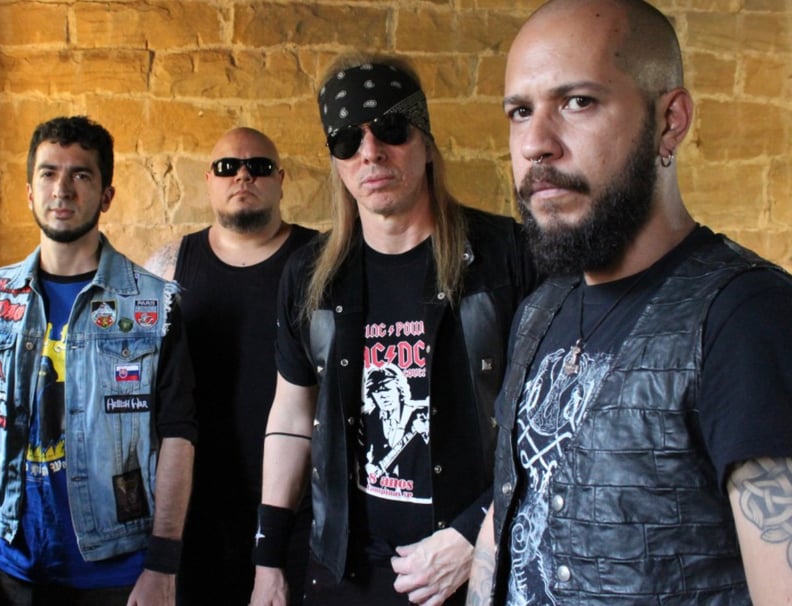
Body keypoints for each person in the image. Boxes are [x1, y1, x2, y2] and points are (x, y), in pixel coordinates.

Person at [466, 1, 792, 604]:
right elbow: (510, 513)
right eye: (519, 112)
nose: (536, 144)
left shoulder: (747, 319)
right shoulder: (540, 311)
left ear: (670, 120)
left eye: (578, 102)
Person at [249, 55, 538, 606]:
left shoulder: (507, 258)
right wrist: (268, 557)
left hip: (476, 563)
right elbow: (290, 417)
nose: (371, 152)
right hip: (347, 569)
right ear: (335, 161)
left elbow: (551, 423)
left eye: (390, 129)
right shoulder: (311, 275)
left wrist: (479, 533)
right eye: (346, 141)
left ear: (426, 141)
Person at [0, 115, 197, 606]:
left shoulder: (154, 305)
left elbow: (178, 434)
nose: (63, 189)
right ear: (29, 192)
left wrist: (162, 564)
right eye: (49, 173)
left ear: (106, 196)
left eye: (81, 175)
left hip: (116, 570)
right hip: (16, 564)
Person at [144, 127, 317, 605]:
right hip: (197, 511)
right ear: (208, 180)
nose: (243, 174)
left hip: (299, 513)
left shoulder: (323, 260)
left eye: (259, 166)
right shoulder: (168, 268)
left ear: (281, 179)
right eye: (227, 167)